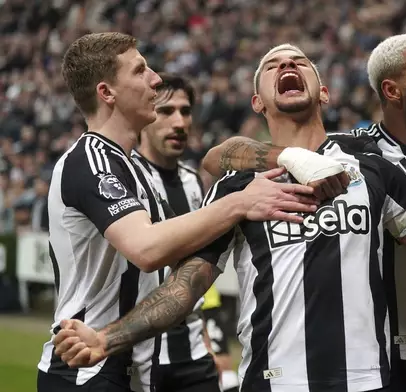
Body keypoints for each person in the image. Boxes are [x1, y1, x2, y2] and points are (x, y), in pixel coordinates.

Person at [52, 44, 406, 392]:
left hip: (371, 384)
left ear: (321, 90)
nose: (287, 64)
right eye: (272, 65)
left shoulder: (373, 171)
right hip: (272, 384)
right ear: (259, 103)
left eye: (300, 60)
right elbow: (182, 291)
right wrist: (108, 337)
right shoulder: (239, 186)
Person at [37, 33, 321, 392]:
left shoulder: (130, 167)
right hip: (86, 367)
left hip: (127, 366)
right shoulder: (92, 160)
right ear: (107, 93)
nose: (155, 79)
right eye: (140, 71)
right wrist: (239, 202)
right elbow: (148, 250)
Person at [132, 72, 234, 392]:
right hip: (136, 356)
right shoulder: (124, 176)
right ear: (145, 115)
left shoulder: (193, 182)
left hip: (193, 353)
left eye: (185, 111)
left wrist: (212, 339)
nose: (179, 122)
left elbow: (200, 268)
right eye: (165, 111)